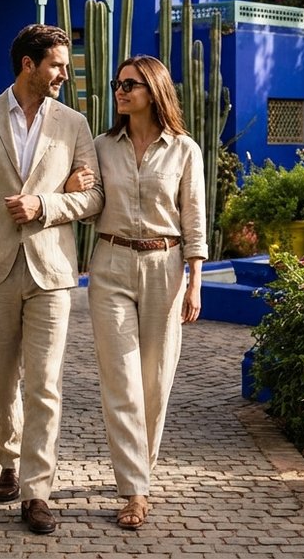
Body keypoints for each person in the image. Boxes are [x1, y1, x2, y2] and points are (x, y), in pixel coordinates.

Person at [0, 24, 103, 535]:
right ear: (28, 65)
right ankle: (9, 462)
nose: (65, 73)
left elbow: (94, 198)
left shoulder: (74, 124)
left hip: (52, 273)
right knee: (1, 381)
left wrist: (47, 204)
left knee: (45, 384)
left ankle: (38, 492)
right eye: (57, 64)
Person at [85, 54, 206, 530]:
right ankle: (134, 490)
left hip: (166, 265)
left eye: (130, 84)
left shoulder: (184, 150)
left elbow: (193, 216)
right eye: (118, 84)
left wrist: (195, 281)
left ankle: (141, 465)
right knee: (121, 381)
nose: (120, 91)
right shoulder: (100, 146)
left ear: (153, 91)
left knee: (154, 381)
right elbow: (88, 199)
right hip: (111, 261)